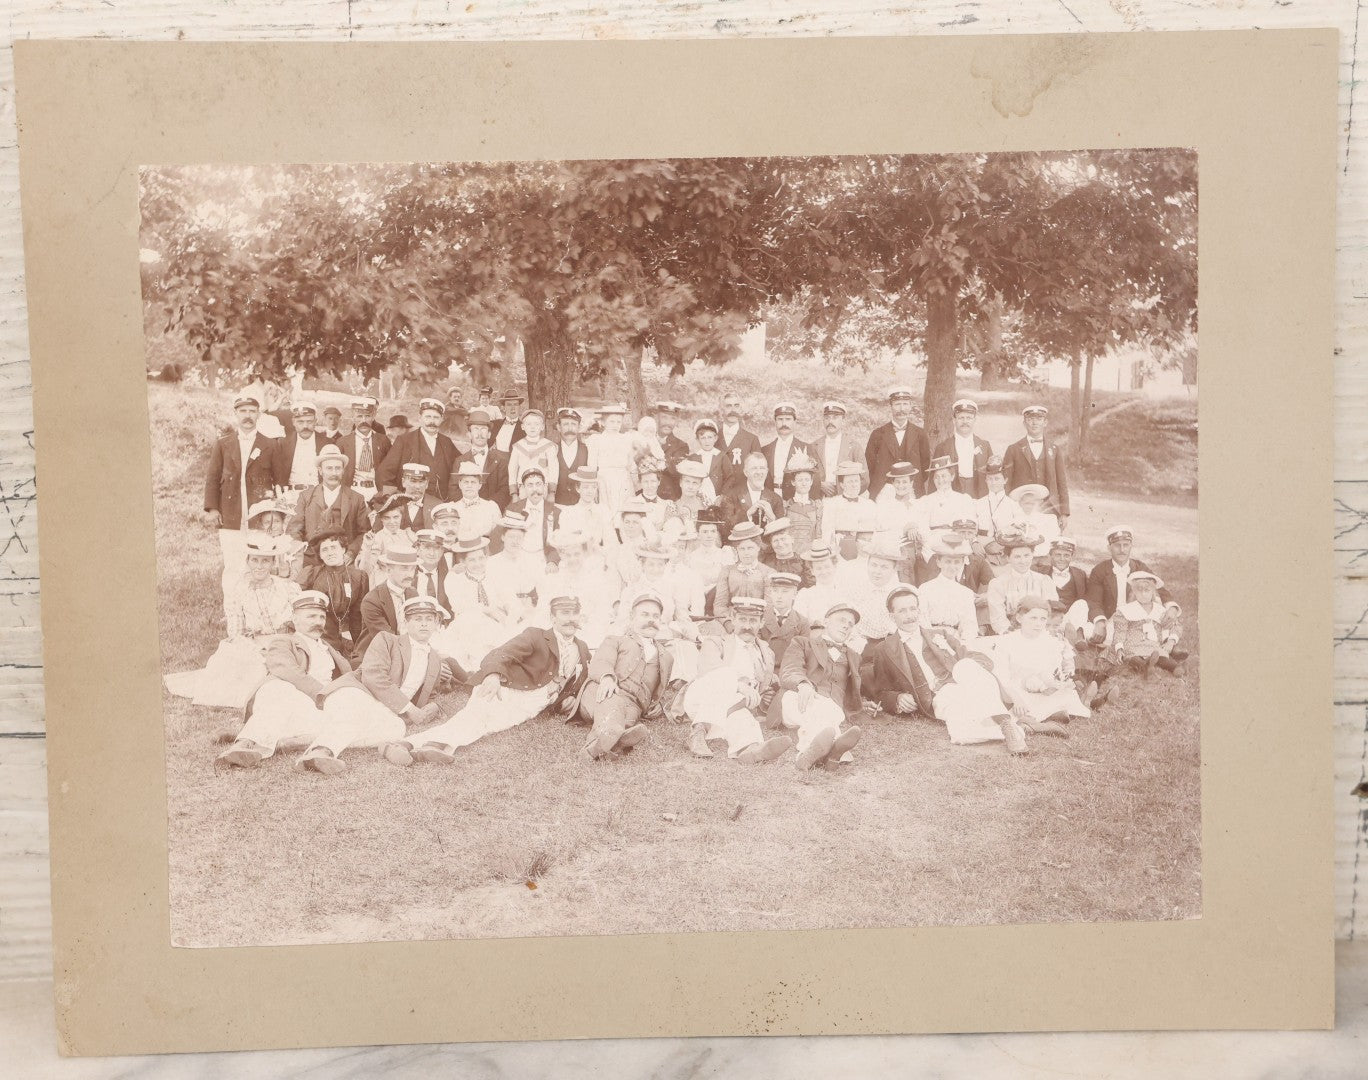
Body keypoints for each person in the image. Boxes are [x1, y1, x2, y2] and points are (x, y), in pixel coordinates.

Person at [384, 594, 592, 766]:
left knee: (488, 726)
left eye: (574, 613)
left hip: (532, 706)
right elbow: (500, 654)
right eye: (565, 614)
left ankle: (413, 745)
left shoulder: (582, 648)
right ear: (553, 618)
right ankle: (415, 745)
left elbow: (577, 682)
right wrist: (493, 676)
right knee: (477, 719)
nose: (571, 619)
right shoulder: (536, 636)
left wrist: (567, 699)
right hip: (505, 688)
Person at [297, 595, 466, 775]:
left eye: (429, 620)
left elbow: (429, 694)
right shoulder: (387, 640)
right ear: (406, 623)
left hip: (383, 710)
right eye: (417, 619)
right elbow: (373, 677)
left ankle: (384, 746)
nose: (424, 624)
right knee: (360, 712)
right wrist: (408, 708)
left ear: (436, 624)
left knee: (396, 728)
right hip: (354, 692)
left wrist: (433, 706)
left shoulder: (434, 659)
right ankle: (321, 751)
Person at [864, 584, 1026, 753]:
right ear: (892, 616)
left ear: (919, 610)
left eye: (913, 609)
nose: (910, 616)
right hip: (938, 697)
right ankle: (1016, 730)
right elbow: (882, 690)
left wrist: (975, 671)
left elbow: (971, 656)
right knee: (961, 735)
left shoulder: (939, 634)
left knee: (965, 665)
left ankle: (1005, 722)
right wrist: (897, 698)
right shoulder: (884, 649)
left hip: (966, 683)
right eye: (902, 611)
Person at [217, 590, 354, 768]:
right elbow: (287, 670)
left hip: (314, 710)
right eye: (311, 616)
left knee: (352, 714)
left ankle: (283, 742)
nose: (318, 622)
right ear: (295, 619)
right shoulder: (283, 641)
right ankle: (244, 744)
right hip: (286, 700)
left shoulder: (330, 650)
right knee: (279, 687)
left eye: (321, 617)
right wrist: (324, 695)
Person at [165, 534, 300, 709]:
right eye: (255, 560)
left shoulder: (288, 588)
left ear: (273, 563)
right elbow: (235, 632)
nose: (259, 567)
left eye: (265, 561)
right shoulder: (238, 590)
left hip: (285, 643)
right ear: (248, 561)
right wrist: (259, 650)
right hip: (254, 646)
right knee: (238, 668)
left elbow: (299, 622)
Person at [680, 597, 794, 763]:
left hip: (734, 706)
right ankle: (697, 732)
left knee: (742, 717)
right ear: (732, 619)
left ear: (762, 623)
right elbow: (709, 671)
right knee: (725, 674)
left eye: (753, 621)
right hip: (702, 698)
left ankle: (751, 749)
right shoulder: (715, 642)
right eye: (742, 620)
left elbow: (764, 684)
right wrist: (739, 685)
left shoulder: (766, 652)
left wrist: (769, 693)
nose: (747, 626)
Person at [203, 392, 287, 617]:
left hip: (259, 519)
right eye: (243, 411)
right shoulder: (223, 444)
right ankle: (232, 613)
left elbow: (280, 483)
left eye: (252, 411)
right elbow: (212, 477)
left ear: (258, 414)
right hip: (231, 516)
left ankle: (259, 613)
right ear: (235, 414)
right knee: (233, 566)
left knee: (261, 566)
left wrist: (275, 517)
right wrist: (212, 508)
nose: (247, 416)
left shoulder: (270, 445)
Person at [579, 591, 675, 760]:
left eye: (655, 616)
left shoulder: (666, 657)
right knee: (613, 706)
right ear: (632, 617)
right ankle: (600, 742)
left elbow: (659, 689)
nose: (651, 620)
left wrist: (658, 705)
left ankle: (610, 744)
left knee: (629, 718)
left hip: (634, 705)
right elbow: (601, 661)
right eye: (644, 614)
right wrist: (607, 678)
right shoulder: (616, 640)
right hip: (602, 692)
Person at [777, 603, 866, 771]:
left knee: (828, 709)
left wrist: (865, 701)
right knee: (822, 708)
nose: (846, 625)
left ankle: (806, 756)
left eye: (850, 624)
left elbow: (858, 687)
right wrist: (802, 684)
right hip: (798, 699)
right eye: (842, 620)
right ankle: (836, 750)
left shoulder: (854, 657)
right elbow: (790, 668)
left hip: (832, 708)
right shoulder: (802, 643)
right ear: (826, 622)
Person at [992, 595, 1087, 732]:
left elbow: (1051, 673)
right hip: (1015, 692)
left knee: (1066, 694)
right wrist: (1016, 698)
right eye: (1033, 618)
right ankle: (1043, 721)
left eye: (1043, 619)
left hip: (1041, 691)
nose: (1038, 624)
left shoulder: (1050, 642)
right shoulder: (1006, 642)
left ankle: (1043, 718)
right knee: (1013, 707)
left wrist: (1057, 684)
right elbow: (1002, 677)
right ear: (1019, 618)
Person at [1084, 526, 1179, 642]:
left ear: (1131, 546)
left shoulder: (1139, 567)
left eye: (1126, 545)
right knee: (1091, 631)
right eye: (1117, 545)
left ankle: (1170, 644)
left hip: (1137, 617)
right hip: (1112, 620)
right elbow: (1094, 600)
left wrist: (1172, 608)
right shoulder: (1100, 570)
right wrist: (1099, 621)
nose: (1122, 549)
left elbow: (1160, 589)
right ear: (1109, 548)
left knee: (1162, 620)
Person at [288, 443, 371, 570]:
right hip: (312, 561)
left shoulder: (356, 498)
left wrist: (351, 553)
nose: (334, 473)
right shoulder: (306, 497)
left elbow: (363, 533)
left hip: (344, 561)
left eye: (338, 468)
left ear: (343, 471)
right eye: (329, 468)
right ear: (320, 471)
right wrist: (302, 554)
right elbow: (294, 530)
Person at [1106, 570, 1189, 680]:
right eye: (1139, 591)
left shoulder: (1160, 610)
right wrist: (1119, 648)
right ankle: (1146, 668)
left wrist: (1170, 642)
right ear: (1134, 592)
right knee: (1133, 658)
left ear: (1153, 591)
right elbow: (1120, 631)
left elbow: (1175, 625)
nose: (1144, 594)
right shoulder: (1126, 610)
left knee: (1161, 656)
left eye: (1147, 590)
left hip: (1153, 645)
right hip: (1133, 644)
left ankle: (1175, 668)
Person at [299, 531, 368, 660]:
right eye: (324, 550)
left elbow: (357, 616)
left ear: (343, 549)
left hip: (347, 638)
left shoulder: (358, 577)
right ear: (320, 555)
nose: (330, 553)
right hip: (319, 635)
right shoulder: (311, 574)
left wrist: (358, 647)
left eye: (334, 547)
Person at [1002, 405, 1070, 534]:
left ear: (1045, 422)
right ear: (1024, 423)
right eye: (1030, 419)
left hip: (1049, 507)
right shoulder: (1013, 449)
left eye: (1039, 419)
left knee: (1048, 542)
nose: (1034, 423)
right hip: (1023, 507)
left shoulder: (1054, 450)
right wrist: (1009, 509)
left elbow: (1062, 483)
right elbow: (1007, 484)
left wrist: (1064, 513)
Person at [379, 398, 460, 500]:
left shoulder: (447, 442)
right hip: (409, 502)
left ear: (442, 419)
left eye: (436, 417)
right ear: (420, 418)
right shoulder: (404, 441)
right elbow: (385, 473)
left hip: (441, 502)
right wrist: (392, 500)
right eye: (428, 417)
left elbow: (461, 465)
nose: (432, 422)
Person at [865, 385, 931, 499]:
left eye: (905, 404)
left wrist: (911, 483)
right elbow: (869, 466)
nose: (901, 409)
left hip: (913, 490)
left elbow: (925, 465)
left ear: (910, 406)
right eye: (897, 404)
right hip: (883, 492)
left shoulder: (920, 434)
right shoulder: (877, 434)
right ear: (891, 406)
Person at [986, 536, 1060, 636]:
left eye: (1026, 555)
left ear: (1032, 555)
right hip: (1011, 634)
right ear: (1008, 558)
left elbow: (1051, 612)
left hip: (1040, 631)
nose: (1023, 561)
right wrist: (1012, 635)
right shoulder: (998, 583)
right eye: (1017, 557)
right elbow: (998, 618)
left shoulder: (1044, 581)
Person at [484, 509, 547, 623]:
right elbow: (491, 594)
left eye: (519, 537)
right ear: (503, 537)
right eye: (511, 536)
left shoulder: (533, 561)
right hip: (502, 612)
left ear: (524, 538)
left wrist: (536, 609)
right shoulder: (492, 563)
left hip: (530, 609)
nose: (515, 541)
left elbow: (543, 589)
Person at [355, 546, 418, 658]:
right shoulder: (372, 600)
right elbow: (388, 640)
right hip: (376, 656)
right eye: (404, 569)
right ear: (388, 570)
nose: (410, 574)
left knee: (447, 663)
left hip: (407, 652)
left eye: (412, 569)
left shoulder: (413, 594)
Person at [916, 535, 980, 641]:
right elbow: (922, 621)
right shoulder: (925, 589)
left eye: (956, 562)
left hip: (956, 639)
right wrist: (932, 641)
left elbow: (970, 624)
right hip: (930, 639)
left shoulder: (966, 593)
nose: (952, 566)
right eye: (948, 562)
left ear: (962, 563)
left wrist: (964, 641)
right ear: (938, 562)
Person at [713, 521, 776, 628]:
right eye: (742, 549)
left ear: (758, 548)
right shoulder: (727, 571)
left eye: (750, 548)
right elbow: (720, 604)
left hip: (758, 624)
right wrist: (727, 623)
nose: (746, 553)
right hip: (732, 622)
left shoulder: (768, 573)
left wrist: (757, 625)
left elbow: (770, 606)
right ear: (736, 550)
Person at [933, 399, 993, 499]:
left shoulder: (985, 445)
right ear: (954, 420)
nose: (965, 422)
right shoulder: (943, 447)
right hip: (952, 494)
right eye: (961, 418)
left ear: (974, 420)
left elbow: (992, 474)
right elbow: (934, 478)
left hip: (978, 493)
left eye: (969, 418)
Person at [453, 409, 511, 511]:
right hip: (466, 512)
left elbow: (505, 489)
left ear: (489, 434)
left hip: (492, 511)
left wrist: (488, 507)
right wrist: (468, 506)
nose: (479, 433)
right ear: (469, 434)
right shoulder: (460, 461)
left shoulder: (501, 460)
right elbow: (453, 489)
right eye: (475, 429)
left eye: (483, 429)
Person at [912, 456, 976, 549]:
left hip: (958, 540)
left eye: (944, 476)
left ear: (952, 476)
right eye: (936, 477)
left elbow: (970, 527)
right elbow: (923, 527)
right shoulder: (926, 500)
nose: (940, 480)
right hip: (933, 541)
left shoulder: (963, 499)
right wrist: (929, 543)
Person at [584, 402, 635, 514]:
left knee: (623, 510)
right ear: (603, 422)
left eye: (618, 422)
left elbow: (630, 464)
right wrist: (594, 485)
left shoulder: (626, 439)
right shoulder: (596, 440)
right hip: (604, 480)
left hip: (623, 480)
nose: (615, 425)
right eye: (611, 421)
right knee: (606, 510)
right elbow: (591, 465)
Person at [336, 396, 391, 498]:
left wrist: (383, 492)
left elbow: (389, 469)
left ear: (373, 416)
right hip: (352, 491)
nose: (363, 420)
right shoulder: (342, 442)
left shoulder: (383, 441)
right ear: (353, 417)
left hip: (375, 491)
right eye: (359, 416)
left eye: (367, 416)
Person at [822, 461, 878, 559]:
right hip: (841, 550)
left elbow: (876, 531)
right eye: (850, 481)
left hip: (865, 551)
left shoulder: (870, 504)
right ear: (842, 485)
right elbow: (827, 531)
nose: (854, 485)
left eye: (856, 481)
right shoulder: (832, 504)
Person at [505, 468, 560, 566]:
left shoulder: (555, 512)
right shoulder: (513, 509)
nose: (535, 489)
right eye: (530, 485)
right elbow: (503, 539)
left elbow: (559, 542)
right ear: (523, 488)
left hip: (544, 559)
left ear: (544, 486)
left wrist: (552, 561)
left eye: (538, 484)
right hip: (518, 559)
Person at [812, 400, 867, 497]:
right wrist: (819, 484)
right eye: (827, 418)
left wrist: (846, 493)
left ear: (843, 420)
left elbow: (864, 479)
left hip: (845, 500)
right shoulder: (814, 446)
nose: (830, 422)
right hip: (820, 498)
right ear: (823, 420)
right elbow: (807, 475)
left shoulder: (854, 446)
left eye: (835, 418)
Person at [274, 400, 328, 495]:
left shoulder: (326, 443)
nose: (305, 426)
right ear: (293, 422)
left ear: (315, 421)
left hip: (319, 494)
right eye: (300, 422)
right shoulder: (283, 443)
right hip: (291, 494)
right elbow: (277, 474)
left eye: (309, 421)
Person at [356, 493, 414, 581]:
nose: (392, 521)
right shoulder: (377, 538)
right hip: (385, 582)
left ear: (401, 516)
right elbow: (365, 570)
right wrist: (368, 548)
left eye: (396, 517)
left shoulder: (408, 535)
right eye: (387, 518)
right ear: (381, 519)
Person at [721, 450, 784, 530]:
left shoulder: (776, 499)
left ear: (767, 471)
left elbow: (782, 533)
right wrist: (748, 514)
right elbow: (725, 528)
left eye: (762, 468)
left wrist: (772, 518)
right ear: (746, 472)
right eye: (754, 468)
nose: (759, 472)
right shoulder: (731, 496)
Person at [761, 401, 812, 499]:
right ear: (775, 422)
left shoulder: (806, 449)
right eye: (780, 419)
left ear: (795, 422)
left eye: (788, 419)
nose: (784, 423)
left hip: (796, 500)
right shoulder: (765, 450)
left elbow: (814, 482)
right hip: (770, 498)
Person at [760, 572, 811, 669]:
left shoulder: (802, 622)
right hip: (765, 669)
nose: (779, 596)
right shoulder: (761, 618)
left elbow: (803, 655)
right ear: (770, 593)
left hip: (790, 671)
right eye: (775, 591)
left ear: (795, 594)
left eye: (785, 591)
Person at [246, 499, 306, 581]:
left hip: (286, 585)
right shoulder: (258, 544)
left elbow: (296, 574)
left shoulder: (294, 545)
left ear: (283, 522)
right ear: (262, 525)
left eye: (276, 521)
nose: (272, 526)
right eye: (267, 523)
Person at [557, 466, 615, 550]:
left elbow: (610, 540)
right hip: (576, 556)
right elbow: (565, 541)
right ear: (578, 488)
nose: (590, 491)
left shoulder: (603, 510)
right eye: (585, 487)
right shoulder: (568, 512)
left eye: (594, 487)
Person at [507, 409, 559, 502]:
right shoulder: (518, 446)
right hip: (523, 488)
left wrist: (552, 492)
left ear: (542, 426)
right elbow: (512, 470)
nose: (532, 427)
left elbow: (554, 470)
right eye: (528, 424)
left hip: (543, 488)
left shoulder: (549, 446)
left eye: (536, 424)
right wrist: (514, 493)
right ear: (522, 426)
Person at [716, 392, 763, 494]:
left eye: (736, 406)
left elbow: (758, 472)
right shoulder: (712, 438)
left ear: (740, 409)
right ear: (721, 410)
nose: (733, 410)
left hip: (742, 495)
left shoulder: (752, 440)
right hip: (717, 494)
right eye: (728, 406)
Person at [448, 459, 502, 542]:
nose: (469, 486)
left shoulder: (491, 507)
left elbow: (497, 535)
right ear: (460, 484)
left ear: (480, 485)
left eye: (473, 482)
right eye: (466, 482)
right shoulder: (453, 508)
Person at [974, 456, 1021, 542]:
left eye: (997, 479)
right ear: (986, 481)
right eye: (990, 479)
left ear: (1005, 480)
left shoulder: (1013, 505)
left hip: (1006, 545)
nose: (993, 483)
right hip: (982, 545)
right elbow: (972, 530)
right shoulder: (978, 503)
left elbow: (1019, 528)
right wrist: (974, 542)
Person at [783, 453, 822, 555]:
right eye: (800, 480)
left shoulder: (817, 506)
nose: (804, 483)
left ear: (811, 482)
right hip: (791, 553)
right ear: (793, 482)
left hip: (810, 553)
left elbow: (818, 534)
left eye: (807, 480)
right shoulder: (786, 506)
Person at [795, 543, 843, 626]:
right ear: (812, 571)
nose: (824, 572)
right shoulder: (805, 595)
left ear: (834, 567)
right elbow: (799, 625)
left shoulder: (844, 591)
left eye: (827, 567)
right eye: (818, 568)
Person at [1007, 484, 1060, 557]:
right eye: (1026, 503)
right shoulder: (1014, 520)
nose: (1029, 506)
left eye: (1032, 503)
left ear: (1038, 502)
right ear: (1020, 503)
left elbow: (1053, 540)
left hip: (1042, 556)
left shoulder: (1048, 519)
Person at [552, 408, 591, 506]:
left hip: (580, 505)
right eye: (565, 424)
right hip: (557, 503)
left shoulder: (587, 450)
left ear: (579, 427)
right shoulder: (551, 450)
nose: (570, 428)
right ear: (559, 427)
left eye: (573, 424)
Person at [761, 517, 814, 588]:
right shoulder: (766, 563)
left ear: (792, 539)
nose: (780, 544)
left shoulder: (803, 562)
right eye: (775, 541)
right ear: (771, 544)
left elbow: (811, 586)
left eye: (783, 539)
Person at [655, 402, 691, 500]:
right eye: (664, 417)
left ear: (676, 421)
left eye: (673, 419)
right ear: (657, 418)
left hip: (668, 497)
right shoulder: (645, 439)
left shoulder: (681, 446)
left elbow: (675, 470)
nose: (668, 423)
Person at [666, 457, 713, 531]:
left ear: (700, 485)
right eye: (687, 481)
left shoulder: (706, 505)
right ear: (680, 483)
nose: (690, 487)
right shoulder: (673, 508)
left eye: (695, 483)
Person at [394, 462, 441, 532]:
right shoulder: (393, 502)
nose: (417, 487)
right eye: (413, 481)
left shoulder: (437, 505)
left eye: (421, 482)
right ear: (403, 482)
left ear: (427, 484)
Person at [691, 420, 727, 501]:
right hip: (697, 497)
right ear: (697, 439)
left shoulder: (722, 456)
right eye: (703, 438)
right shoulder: (693, 457)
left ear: (715, 438)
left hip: (717, 497)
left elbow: (730, 477)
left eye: (710, 437)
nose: (707, 441)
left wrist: (722, 495)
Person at [490, 389, 527, 453]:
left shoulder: (525, 428)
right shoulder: (494, 424)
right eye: (509, 405)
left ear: (519, 407)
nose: (513, 408)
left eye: (515, 404)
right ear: (504, 408)